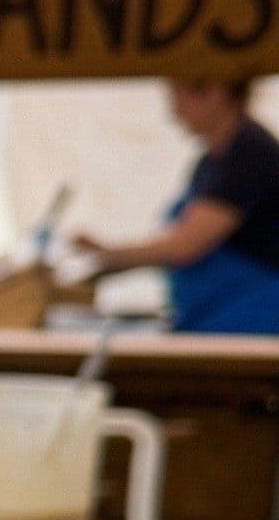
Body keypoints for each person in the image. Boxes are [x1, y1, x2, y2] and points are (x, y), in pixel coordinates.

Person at [76, 79, 279, 333]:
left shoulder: (249, 152)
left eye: (178, 97)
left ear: (216, 92)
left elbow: (185, 246)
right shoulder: (211, 161)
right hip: (212, 317)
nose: (174, 111)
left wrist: (110, 257)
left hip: (250, 322)